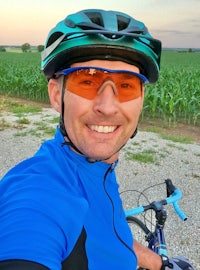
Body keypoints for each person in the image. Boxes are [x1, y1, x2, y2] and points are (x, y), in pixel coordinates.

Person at [0, 9, 194, 270]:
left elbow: (111, 239)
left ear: (141, 101)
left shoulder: (99, 167)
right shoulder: (39, 193)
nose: (108, 107)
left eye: (127, 85)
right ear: (57, 95)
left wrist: (160, 263)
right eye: (87, 81)